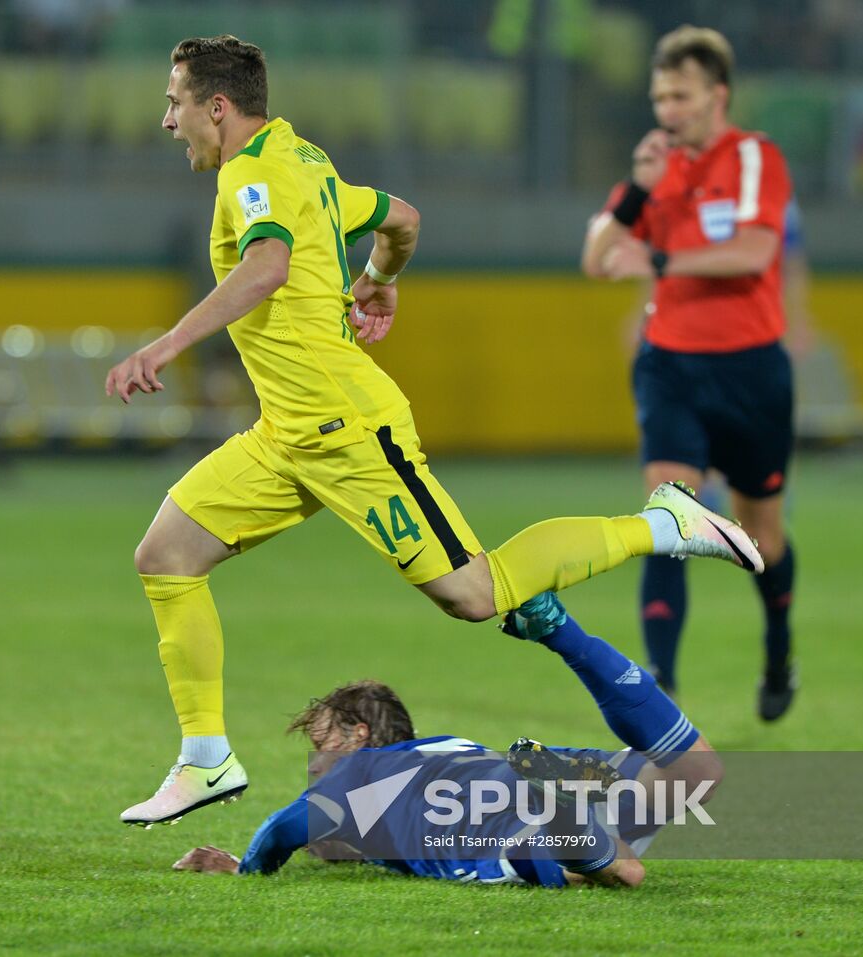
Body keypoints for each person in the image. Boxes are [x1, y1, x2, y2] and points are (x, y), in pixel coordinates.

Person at [106, 35, 761, 827]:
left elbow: (267, 266)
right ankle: (206, 757)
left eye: (176, 102)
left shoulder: (252, 175)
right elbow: (402, 217)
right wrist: (378, 280)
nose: (168, 120)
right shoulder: (303, 161)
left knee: (473, 593)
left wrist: (164, 345)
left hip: (349, 429)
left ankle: (664, 522)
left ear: (218, 106)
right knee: (167, 555)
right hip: (287, 434)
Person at [172, 592, 722, 888]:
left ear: (359, 737)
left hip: (505, 826)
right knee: (699, 776)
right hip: (546, 768)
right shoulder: (445, 747)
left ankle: (580, 835)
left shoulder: (362, 774)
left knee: (609, 866)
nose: (314, 769)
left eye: (320, 750)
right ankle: (563, 634)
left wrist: (247, 869)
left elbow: (288, 828)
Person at [580, 26, 798, 722]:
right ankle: (660, 689)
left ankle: (778, 649)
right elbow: (599, 257)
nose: (667, 108)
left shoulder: (755, 157)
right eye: (659, 96)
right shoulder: (655, 170)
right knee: (669, 512)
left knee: (761, 537)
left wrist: (664, 263)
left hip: (750, 371)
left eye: (680, 95)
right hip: (670, 363)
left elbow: (757, 249)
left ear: (717, 95)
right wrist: (633, 197)